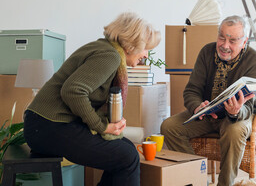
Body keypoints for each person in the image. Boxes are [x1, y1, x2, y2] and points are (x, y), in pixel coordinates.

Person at [23, 12, 161, 186]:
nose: (146, 55)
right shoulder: (110, 56)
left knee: (125, 149)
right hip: (48, 126)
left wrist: (108, 123)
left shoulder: (105, 49)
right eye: (146, 48)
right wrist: (101, 125)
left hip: (45, 124)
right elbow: (73, 91)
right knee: (126, 157)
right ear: (132, 43)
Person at [161, 15, 256, 186]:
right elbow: (192, 90)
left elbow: (248, 106)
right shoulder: (207, 52)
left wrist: (236, 111)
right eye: (221, 38)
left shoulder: (254, 60)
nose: (224, 45)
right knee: (169, 127)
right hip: (207, 115)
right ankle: (198, 179)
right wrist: (196, 107)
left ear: (244, 41)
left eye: (232, 41)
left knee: (234, 131)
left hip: (237, 117)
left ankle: (225, 184)